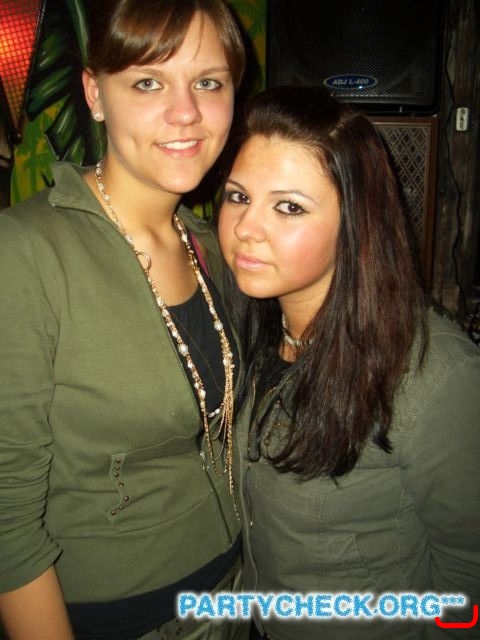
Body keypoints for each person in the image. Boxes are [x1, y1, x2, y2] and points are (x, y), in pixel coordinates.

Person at [0, 1, 247, 639]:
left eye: (208, 82)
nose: (186, 112)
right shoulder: (24, 253)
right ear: (94, 95)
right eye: (147, 82)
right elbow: (7, 523)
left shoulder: (214, 245)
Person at [218, 85, 480, 640]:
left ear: (357, 223)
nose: (245, 227)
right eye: (238, 196)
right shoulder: (253, 327)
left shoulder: (434, 374)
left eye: (289, 206)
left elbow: (469, 575)